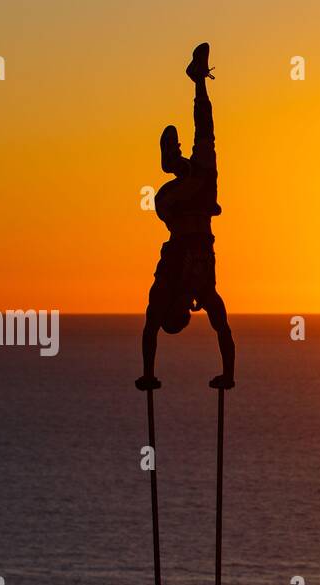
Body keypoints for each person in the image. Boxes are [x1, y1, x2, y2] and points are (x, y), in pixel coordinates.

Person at [135, 43, 236, 391]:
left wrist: (149, 374)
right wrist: (228, 374)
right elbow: (222, 327)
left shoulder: (164, 290)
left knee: (200, 162)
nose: (181, 305)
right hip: (194, 205)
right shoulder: (201, 291)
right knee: (206, 143)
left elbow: (150, 330)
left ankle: (174, 164)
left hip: (176, 208)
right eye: (181, 309)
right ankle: (197, 82)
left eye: (175, 310)